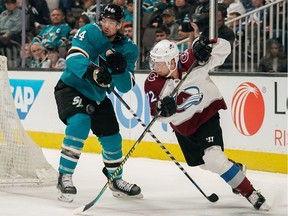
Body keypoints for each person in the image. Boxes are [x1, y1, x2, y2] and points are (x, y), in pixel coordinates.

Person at [144, 22, 270, 211]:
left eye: (158, 63)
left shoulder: (192, 59)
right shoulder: (153, 83)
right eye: (153, 62)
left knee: (214, 159)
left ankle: (251, 193)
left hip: (206, 116)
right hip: (184, 128)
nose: (154, 67)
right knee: (203, 164)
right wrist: (164, 111)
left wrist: (208, 44)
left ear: (172, 62)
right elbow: (157, 114)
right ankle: (234, 168)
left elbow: (224, 49)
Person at [54, 3, 142, 202]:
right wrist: (92, 72)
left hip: (98, 96)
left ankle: (116, 180)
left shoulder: (128, 49)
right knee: (79, 123)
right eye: (104, 20)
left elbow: (126, 87)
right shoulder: (89, 32)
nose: (106, 26)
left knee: (112, 138)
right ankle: (64, 177)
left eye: (112, 22)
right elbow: (73, 58)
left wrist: (119, 71)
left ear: (120, 24)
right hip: (71, 87)